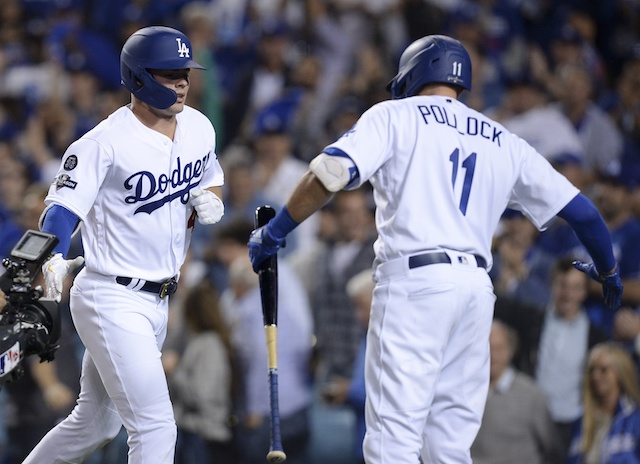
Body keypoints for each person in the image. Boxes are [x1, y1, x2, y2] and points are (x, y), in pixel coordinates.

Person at [248, 34, 623, 463]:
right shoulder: (503, 139)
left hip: (416, 284)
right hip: (476, 293)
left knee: (394, 442)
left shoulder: (395, 115)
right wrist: (608, 271)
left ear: (412, 74)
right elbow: (586, 214)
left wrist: (275, 231)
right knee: (448, 446)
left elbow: (331, 172)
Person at [23, 26, 225, 464]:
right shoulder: (103, 143)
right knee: (155, 427)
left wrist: (211, 197)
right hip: (111, 295)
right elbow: (60, 211)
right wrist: (52, 258)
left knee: (96, 421)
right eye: (170, 74)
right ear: (138, 78)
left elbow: (213, 177)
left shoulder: (198, 126)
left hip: (160, 299)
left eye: (185, 73)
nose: (183, 82)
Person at [471, 320, 562, 464]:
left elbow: (552, 448)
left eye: (499, 348)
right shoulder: (465, 392)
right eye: (488, 348)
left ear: (510, 351)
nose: (493, 355)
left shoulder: (532, 395)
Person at [566, 342, 640, 463]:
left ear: (621, 374)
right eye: (591, 370)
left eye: (603, 370)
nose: (595, 376)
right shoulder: (581, 422)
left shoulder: (635, 420)